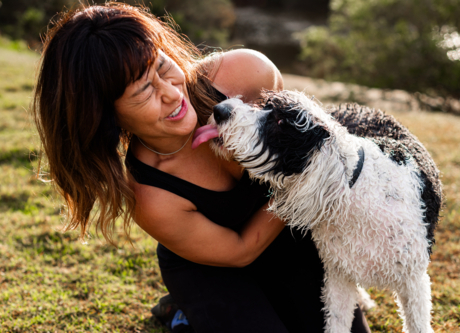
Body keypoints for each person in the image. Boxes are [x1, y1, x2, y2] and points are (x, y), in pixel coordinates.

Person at [32, 3, 371, 332]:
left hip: (284, 235)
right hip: (213, 265)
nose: (170, 94)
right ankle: (183, 312)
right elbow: (240, 250)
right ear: (108, 115)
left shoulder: (247, 74)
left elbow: (300, 139)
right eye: (144, 91)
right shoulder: (151, 196)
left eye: (163, 68)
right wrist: (305, 186)